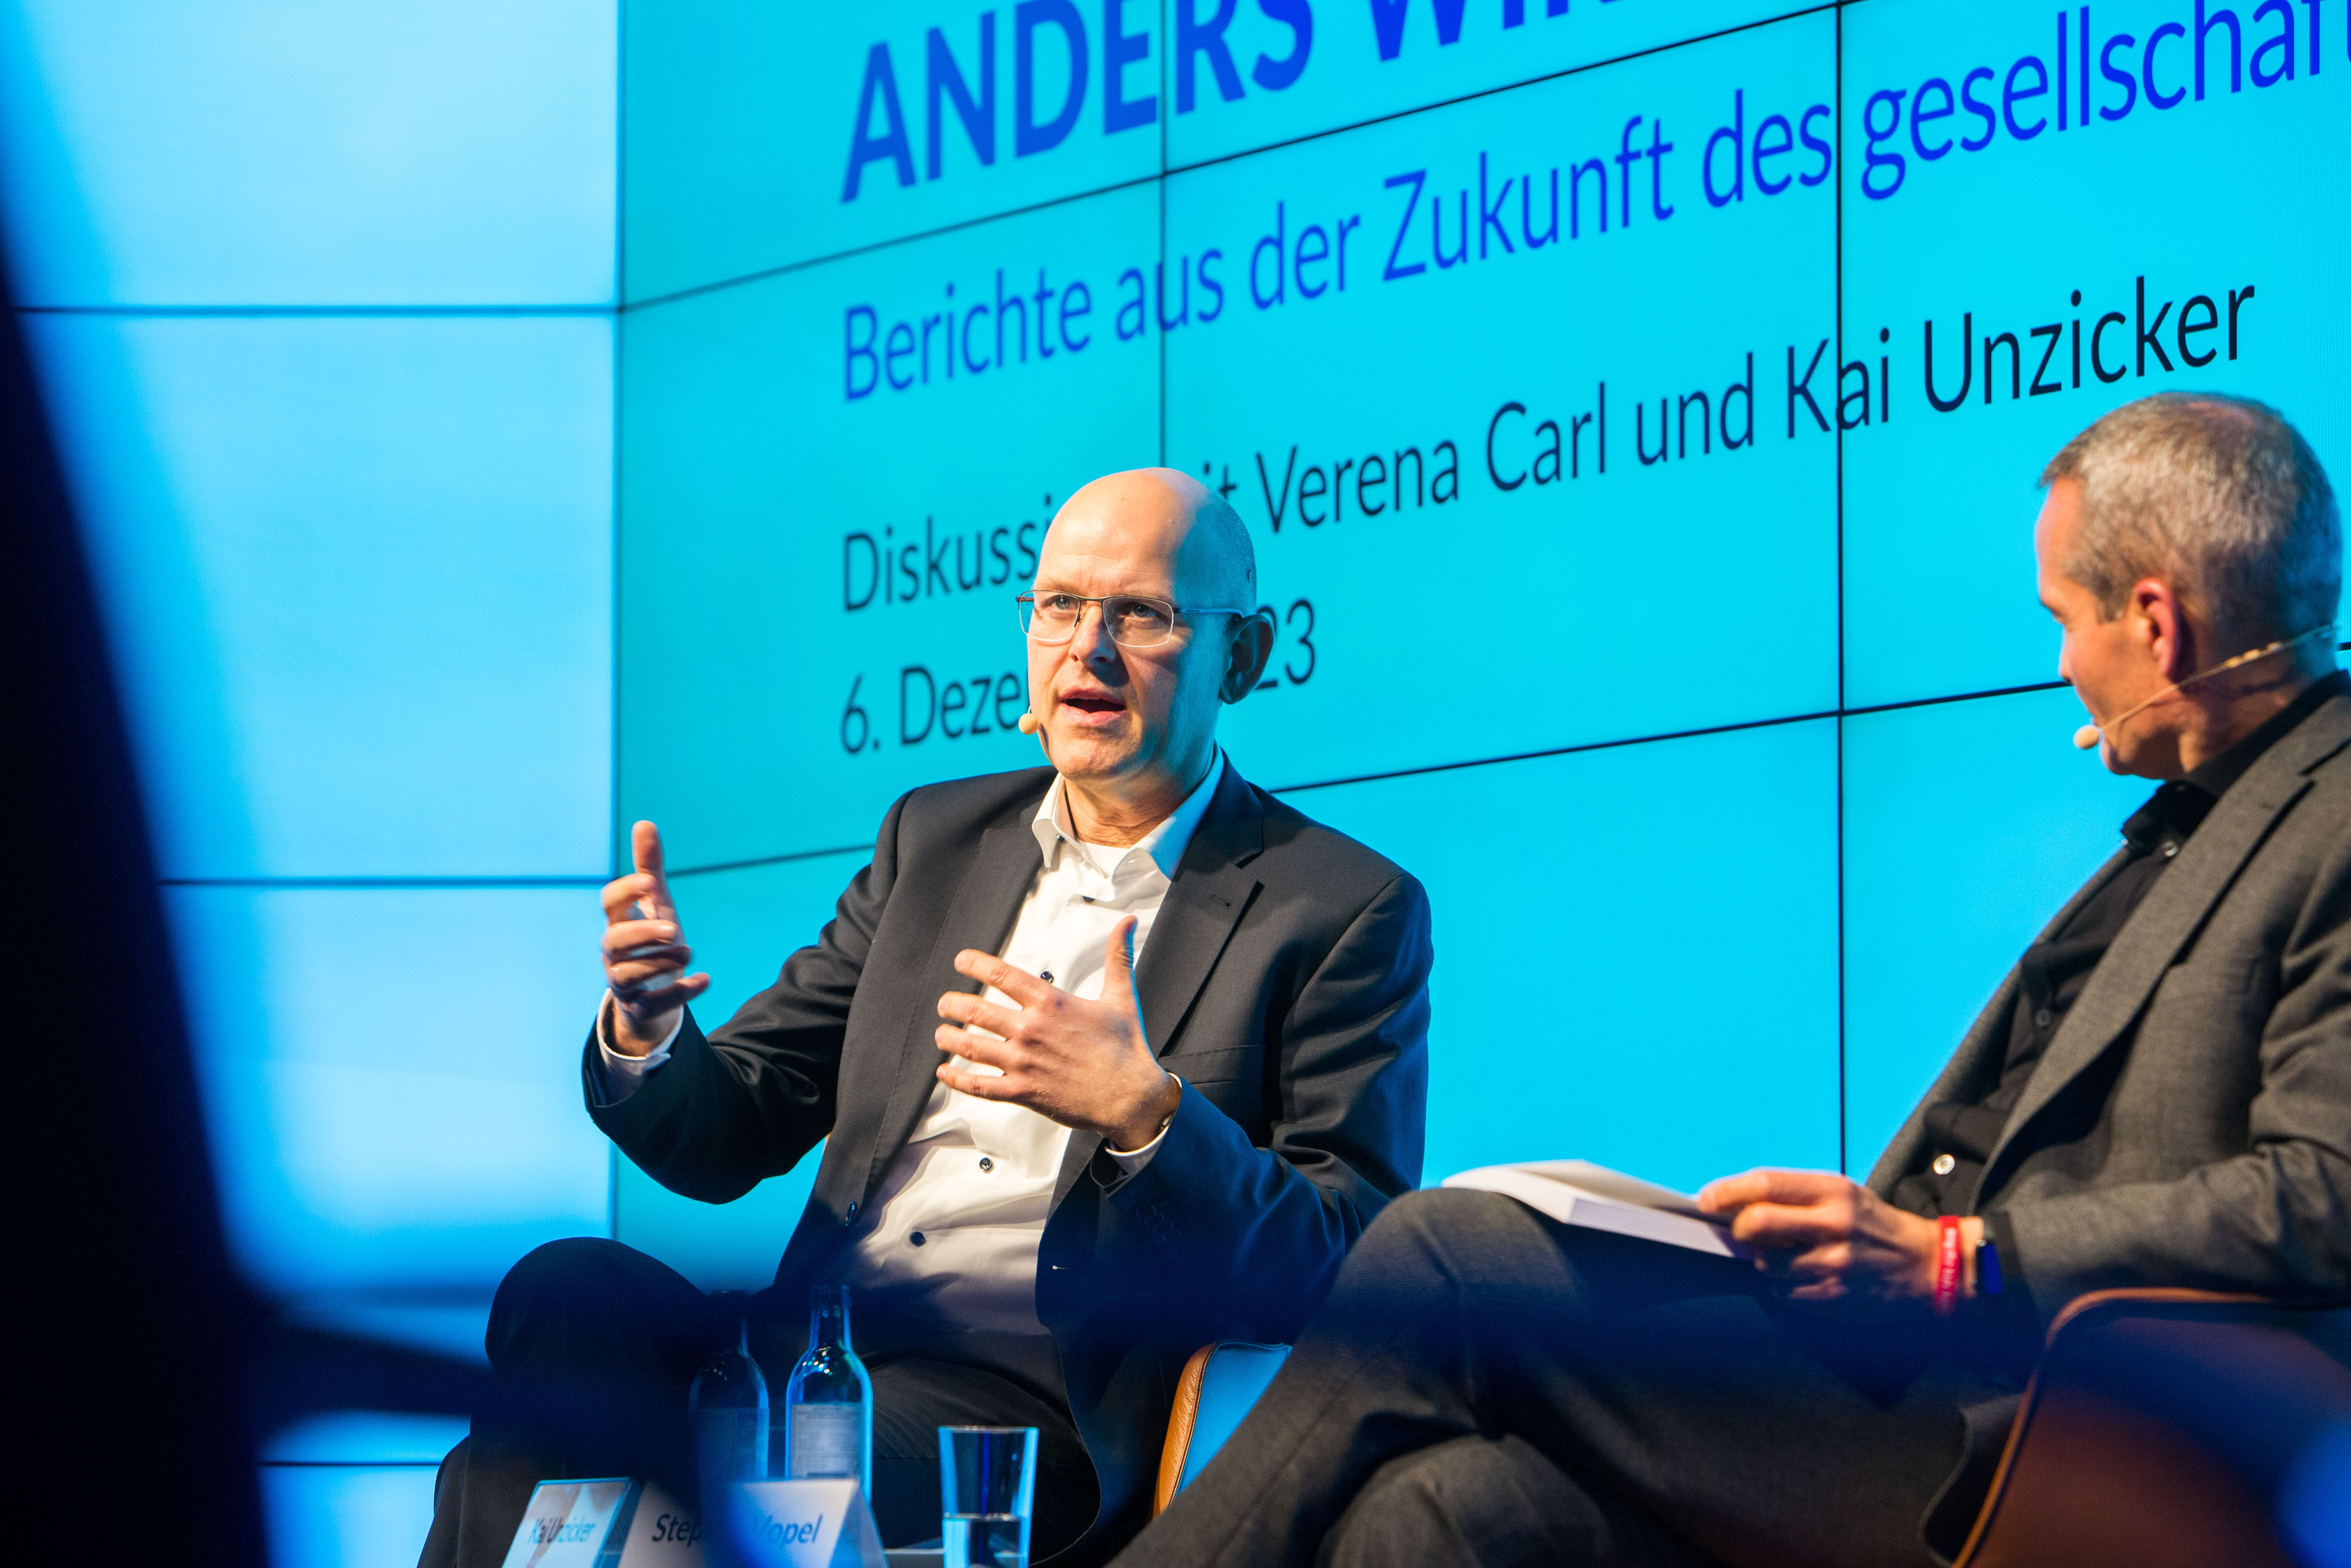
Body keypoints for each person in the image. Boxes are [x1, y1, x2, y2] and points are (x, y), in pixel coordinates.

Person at [1110, 392, 2351, 1568]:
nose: (2062, 667)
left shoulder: (2330, 816)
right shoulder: (2190, 824)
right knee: (1446, 1506)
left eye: (2060, 621)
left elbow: (2327, 1193)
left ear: (2154, 622)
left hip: (2049, 1430)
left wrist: (1955, 1259)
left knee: (1450, 1254)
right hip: (1896, 1377)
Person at [417, 468, 1430, 1568]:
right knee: (563, 1297)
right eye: (1058, 606)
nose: (1086, 650)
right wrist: (647, 1033)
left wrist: (1147, 1114)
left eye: (1141, 614)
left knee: (568, 1469)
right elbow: (735, 1125)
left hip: (1027, 1407)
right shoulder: (935, 838)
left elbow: (1342, 1259)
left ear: (1243, 655)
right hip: (807, 1350)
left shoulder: (1337, 906)